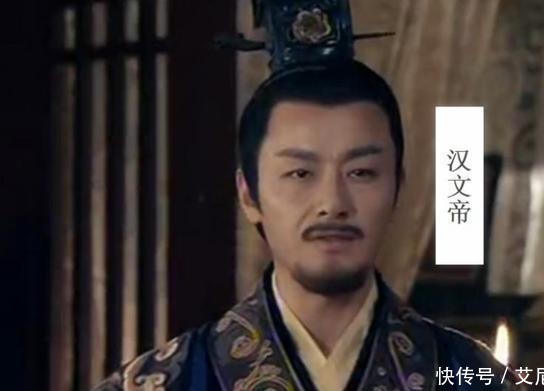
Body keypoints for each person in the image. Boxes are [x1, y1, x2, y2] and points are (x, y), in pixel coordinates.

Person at [92, 61, 520, 391]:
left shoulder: (475, 377)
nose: (333, 203)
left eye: (362, 173)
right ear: (249, 195)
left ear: (397, 189)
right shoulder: (157, 382)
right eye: (300, 173)